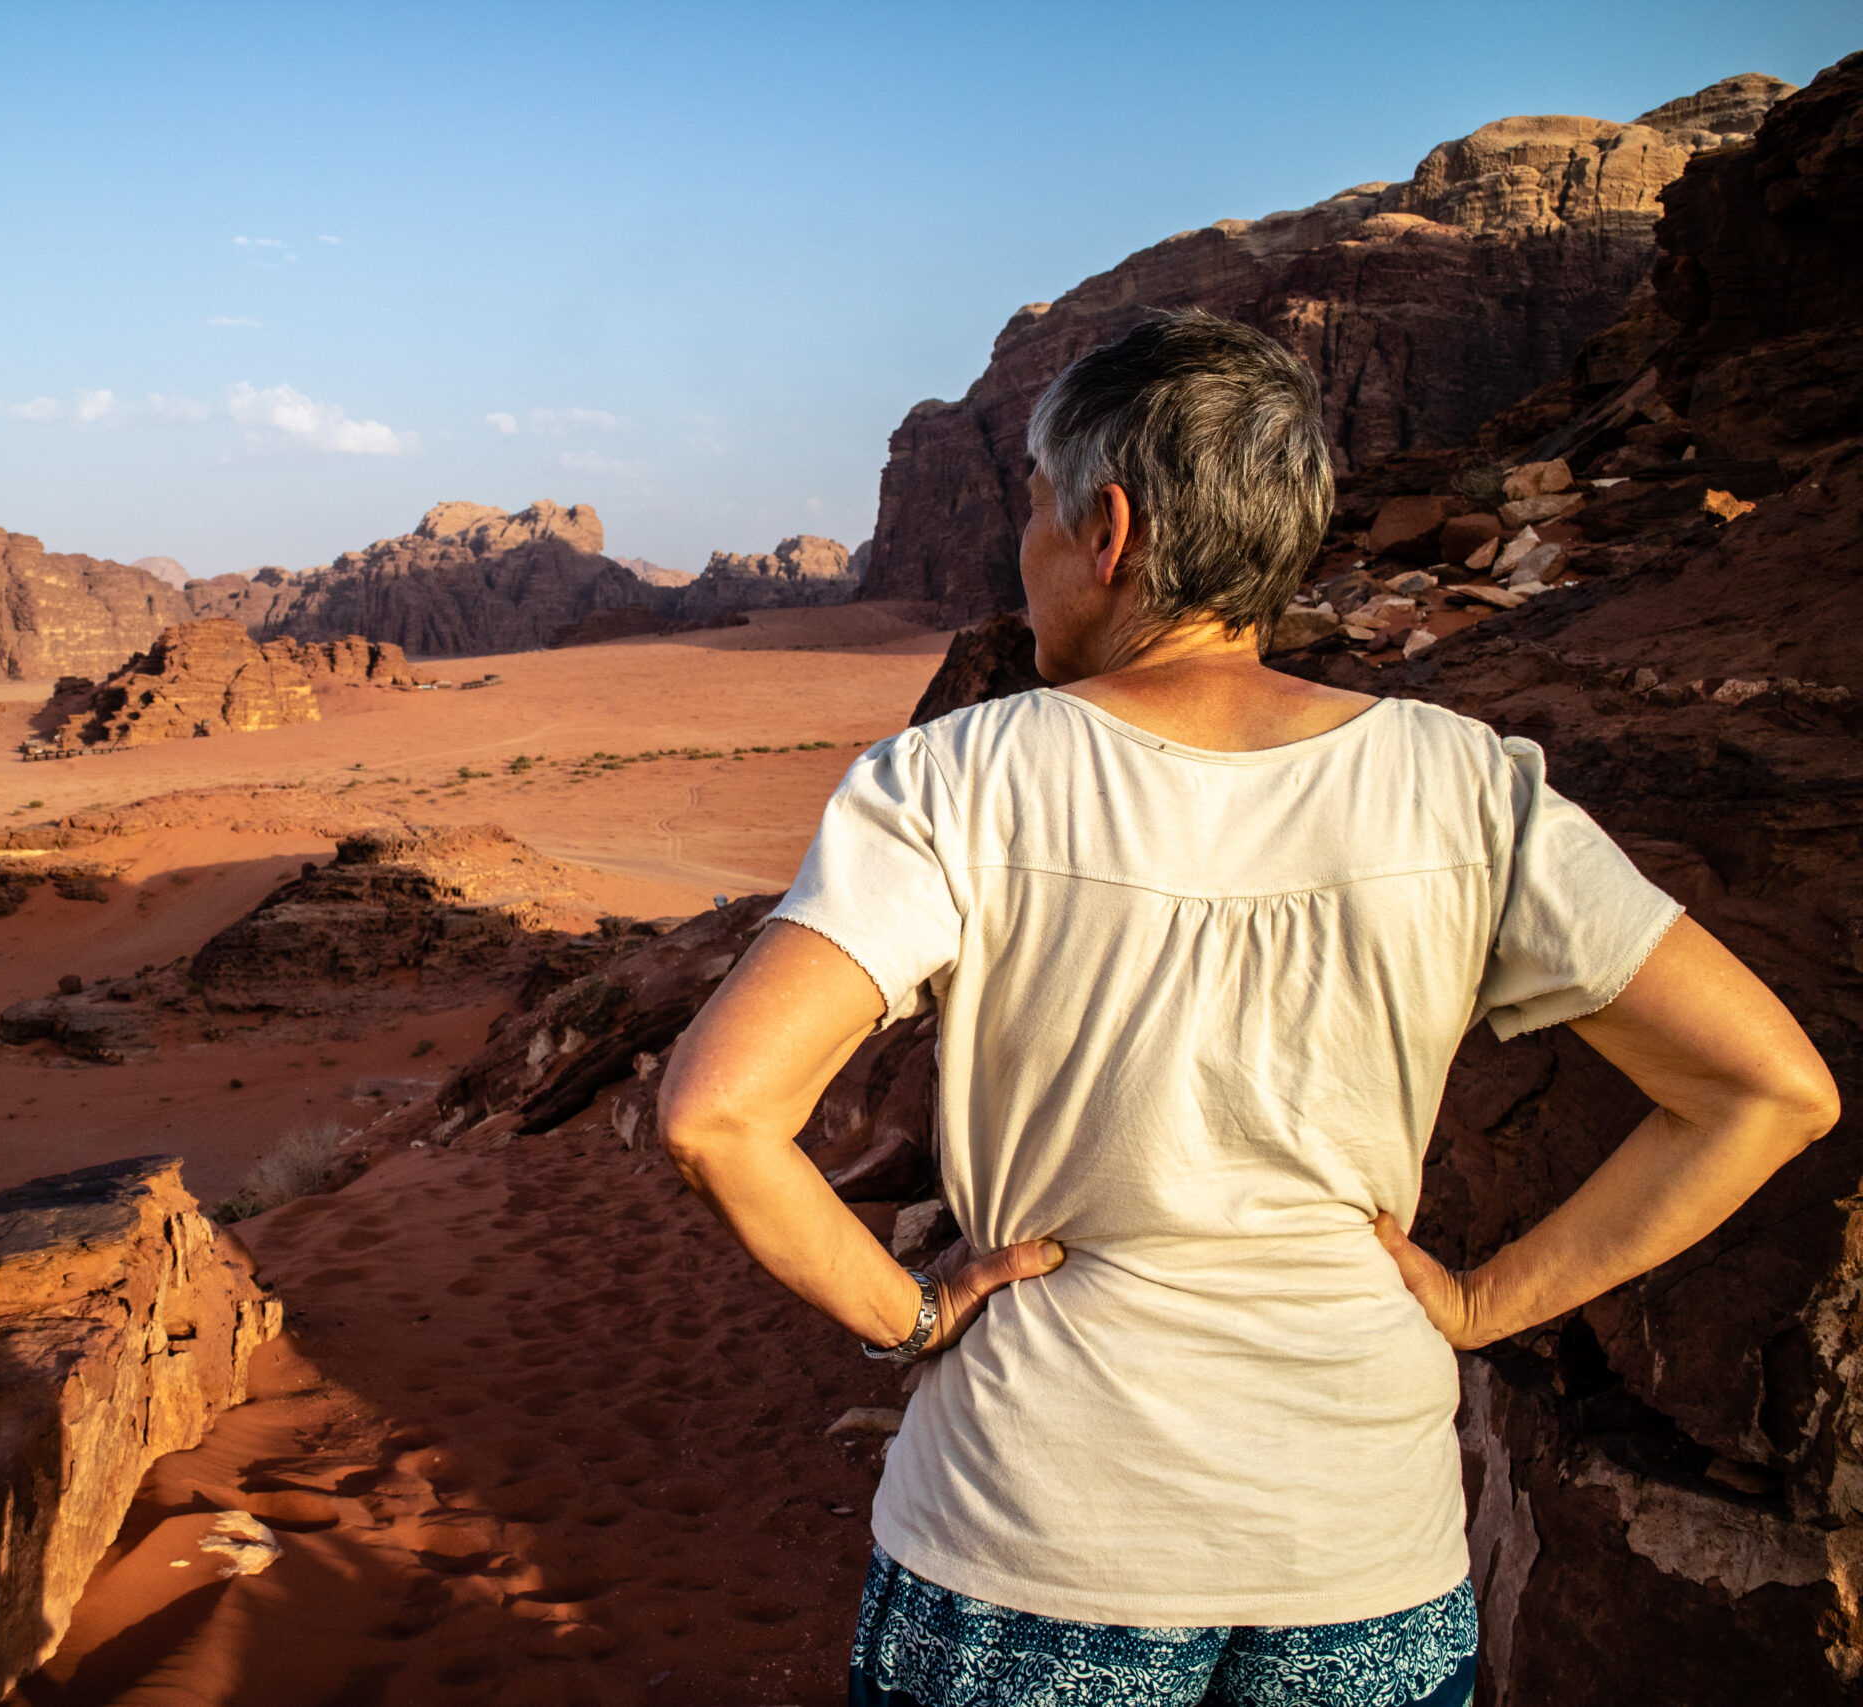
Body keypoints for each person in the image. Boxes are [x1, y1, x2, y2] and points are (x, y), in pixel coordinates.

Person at [658, 310, 1838, 1707]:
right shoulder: (1466, 784)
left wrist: (913, 1319)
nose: (1019, 548)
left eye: (1032, 507)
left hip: (1032, 1540)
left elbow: (718, 1115)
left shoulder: (958, 780)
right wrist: (1475, 1303)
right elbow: (1773, 1089)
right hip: (1362, 1558)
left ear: (1107, 529)